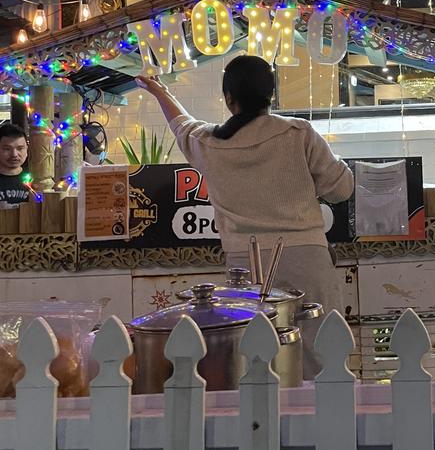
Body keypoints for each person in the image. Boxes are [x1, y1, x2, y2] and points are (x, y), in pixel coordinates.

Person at [136, 56, 354, 376]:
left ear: (228, 98)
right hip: (306, 258)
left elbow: (180, 123)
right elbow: (342, 189)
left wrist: (160, 92)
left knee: (256, 359)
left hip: (244, 264)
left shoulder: (209, 142)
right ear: (272, 95)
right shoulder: (298, 132)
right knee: (319, 354)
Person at [0, 123, 31, 206]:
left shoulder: (36, 180)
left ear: (27, 149)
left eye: (20, 148)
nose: (14, 154)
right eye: (7, 149)